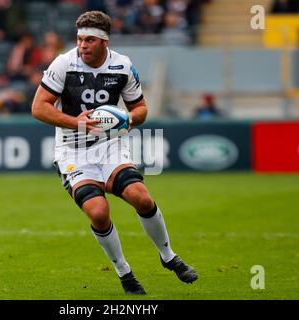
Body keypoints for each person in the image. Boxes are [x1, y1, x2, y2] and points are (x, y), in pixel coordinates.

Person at [31, 10, 197, 295]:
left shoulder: (122, 66)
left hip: (109, 147)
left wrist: (129, 120)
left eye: (89, 40)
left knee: (141, 198)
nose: (82, 45)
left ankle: (169, 257)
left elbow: (140, 108)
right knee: (98, 211)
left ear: (104, 43)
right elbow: (38, 107)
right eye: (80, 39)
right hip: (72, 151)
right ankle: (125, 274)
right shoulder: (63, 64)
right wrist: (76, 122)